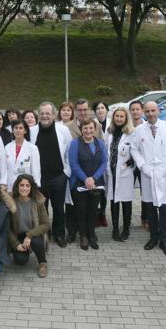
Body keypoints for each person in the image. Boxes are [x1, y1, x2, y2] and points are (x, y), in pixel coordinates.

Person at [131, 101, 166, 256]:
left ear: (158, 111)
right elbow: (134, 149)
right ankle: (153, 237)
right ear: (144, 112)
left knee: (165, 209)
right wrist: (142, 166)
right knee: (151, 208)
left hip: (165, 173)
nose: (150, 113)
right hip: (148, 174)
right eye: (147, 111)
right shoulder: (139, 130)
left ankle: (164, 240)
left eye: (153, 110)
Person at [29, 101, 72, 248]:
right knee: (42, 208)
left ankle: (59, 234)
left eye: (48, 113)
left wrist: (66, 174)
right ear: (38, 115)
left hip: (58, 177)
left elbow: (69, 153)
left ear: (54, 115)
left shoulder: (63, 130)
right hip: (39, 179)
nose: (45, 116)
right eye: (42, 113)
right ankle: (44, 233)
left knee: (59, 208)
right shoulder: (32, 131)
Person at [65, 99, 106, 233]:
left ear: (88, 110)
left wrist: (93, 177)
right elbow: (72, 158)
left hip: (94, 174)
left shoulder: (97, 126)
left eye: (85, 109)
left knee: (91, 208)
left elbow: (101, 151)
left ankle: (89, 232)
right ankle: (73, 233)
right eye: (79, 110)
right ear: (75, 111)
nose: (82, 112)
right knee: (75, 207)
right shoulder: (68, 126)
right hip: (75, 174)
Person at [68, 119, 108, 250]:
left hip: (96, 183)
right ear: (81, 130)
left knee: (92, 210)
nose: (88, 131)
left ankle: (91, 234)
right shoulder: (75, 143)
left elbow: (104, 162)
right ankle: (83, 235)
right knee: (81, 210)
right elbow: (73, 163)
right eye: (85, 128)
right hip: (79, 183)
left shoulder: (100, 143)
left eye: (91, 128)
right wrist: (86, 179)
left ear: (95, 129)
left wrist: (94, 178)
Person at [9, 174, 50, 278]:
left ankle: (42, 263)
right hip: (18, 235)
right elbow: (7, 228)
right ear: (17, 186)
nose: (24, 188)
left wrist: (29, 235)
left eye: (27, 185)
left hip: (34, 234)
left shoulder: (38, 200)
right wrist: (15, 244)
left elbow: (46, 224)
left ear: (31, 187)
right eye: (21, 185)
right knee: (20, 261)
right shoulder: (10, 201)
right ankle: (25, 249)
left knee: (36, 242)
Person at [105, 107, 136, 242]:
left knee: (126, 201)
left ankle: (126, 228)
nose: (118, 118)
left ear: (126, 119)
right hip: (111, 172)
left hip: (125, 172)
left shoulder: (131, 133)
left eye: (121, 116)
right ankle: (115, 228)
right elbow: (106, 150)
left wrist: (128, 164)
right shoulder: (109, 132)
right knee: (113, 201)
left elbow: (136, 153)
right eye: (116, 116)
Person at [129, 100, 149, 231]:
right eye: (133, 109)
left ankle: (145, 219)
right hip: (129, 165)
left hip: (144, 165)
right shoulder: (126, 126)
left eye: (138, 109)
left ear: (142, 111)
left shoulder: (148, 126)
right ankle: (127, 219)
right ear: (130, 111)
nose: (135, 112)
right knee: (128, 193)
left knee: (146, 193)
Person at [5, 120, 41, 192]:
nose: (18, 130)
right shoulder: (7, 147)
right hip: (10, 186)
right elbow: (5, 169)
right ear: (12, 130)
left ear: (25, 131)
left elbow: (36, 170)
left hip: (25, 187)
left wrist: (36, 185)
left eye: (21, 128)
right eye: (16, 128)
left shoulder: (32, 148)